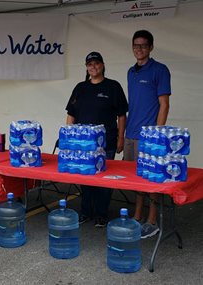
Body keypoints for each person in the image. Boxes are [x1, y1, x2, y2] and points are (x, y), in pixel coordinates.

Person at [65, 51, 128, 227]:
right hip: (83, 145)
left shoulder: (113, 87)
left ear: (103, 65)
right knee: (85, 179)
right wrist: (69, 139)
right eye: (90, 64)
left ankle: (101, 214)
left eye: (96, 63)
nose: (93, 67)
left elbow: (122, 115)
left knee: (103, 180)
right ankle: (85, 212)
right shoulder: (80, 88)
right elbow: (71, 115)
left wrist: (120, 138)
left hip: (106, 142)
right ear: (86, 67)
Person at [124, 30, 171, 238]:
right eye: (136, 45)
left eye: (143, 45)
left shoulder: (160, 70)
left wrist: (157, 136)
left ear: (151, 47)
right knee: (136, 179)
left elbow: (164, 105)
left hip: (149, 137)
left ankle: (152, 221)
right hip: (131, 134)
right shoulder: (130, 72)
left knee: (151, 180)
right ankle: (137, 216)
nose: (139, 49)